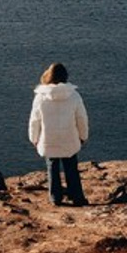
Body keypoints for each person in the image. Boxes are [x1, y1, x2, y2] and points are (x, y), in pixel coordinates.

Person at [28, 62, 90, 206]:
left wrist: (34, 138)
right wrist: (83, 136)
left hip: (48, 139)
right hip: (69, 138)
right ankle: (77, 198)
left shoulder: (40, 97)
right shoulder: (73, 95)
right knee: (71, 169)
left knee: (52, 168)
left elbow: (34, 120)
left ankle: (55, 198)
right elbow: (81, 118)